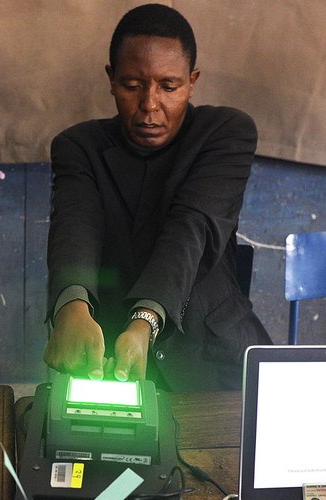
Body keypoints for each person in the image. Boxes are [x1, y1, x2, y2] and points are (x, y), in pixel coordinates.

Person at [43, 4, 272, 392]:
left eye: (169, 86)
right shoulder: (78, 146)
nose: (150, 105)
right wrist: (72, 306)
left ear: (192, 81)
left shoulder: (226, 133)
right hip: (112, 358)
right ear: (111, 79)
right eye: (133, 85)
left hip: (216, 359)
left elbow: (191, 229)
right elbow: (74, 227)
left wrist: (145, 321)